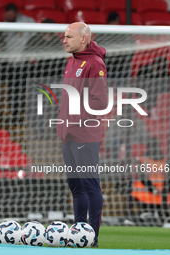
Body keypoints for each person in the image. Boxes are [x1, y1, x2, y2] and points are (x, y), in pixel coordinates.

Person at [57, 22, 108, 247]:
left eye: (69, 36)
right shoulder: (71, 62)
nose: (64, 40)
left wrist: (75, 121)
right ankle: (79, 235)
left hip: (85, 135)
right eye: (65, 36)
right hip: (68, 134)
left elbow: (100, 101)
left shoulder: (95, 63)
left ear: (83, 39)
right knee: (76, 187)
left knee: (90, 186)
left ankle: (93, 238)